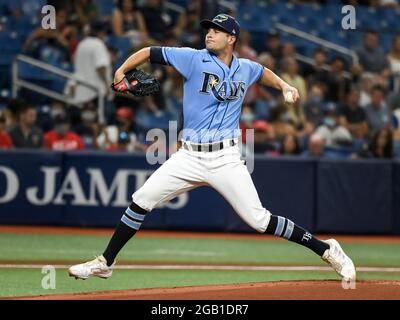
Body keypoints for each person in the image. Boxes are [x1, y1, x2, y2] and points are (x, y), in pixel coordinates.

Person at [68, 14, 355, 282]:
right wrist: (121, 69)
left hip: (226, 158)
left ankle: (327, 249)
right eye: (208, 29)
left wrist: (283, 86)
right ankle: (106, 262)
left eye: (217, 31)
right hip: (189, 156)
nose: (210, 34)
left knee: (259, 219)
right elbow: (150, 52)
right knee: (141, 199)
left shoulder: (245, 68)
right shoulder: (192, 58)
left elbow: (263, 72)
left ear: (232, 38)